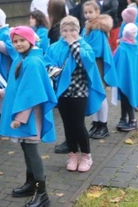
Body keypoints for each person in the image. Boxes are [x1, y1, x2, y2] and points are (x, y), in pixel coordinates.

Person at [0, 26, 57, 205]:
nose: (18, 44)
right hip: (25, 117)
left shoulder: (33, 62)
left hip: (30, 118)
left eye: (21, 40)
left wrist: (20, 118)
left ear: (30, 40)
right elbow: (17, 86)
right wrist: (2, 92)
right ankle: (31, 184)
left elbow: (32, 94)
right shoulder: (23, 58)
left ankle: (42, 194)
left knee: (31, 151)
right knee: (26, 149)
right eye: (15, 41)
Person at [45, 16, 106, 174]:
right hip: (62, 91)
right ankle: (72, 154)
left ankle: (86, 155)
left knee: (78, 124)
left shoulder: (84, 45)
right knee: (67, 124)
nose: (68, 33)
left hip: (79, 89)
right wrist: (53, 70)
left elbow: (85, 61)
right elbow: (47, 62)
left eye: (72, 30)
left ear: (78, 30)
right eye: (65, 30)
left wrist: (74, 45)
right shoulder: (54, 47)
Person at [81, 0, 118, 139]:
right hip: (90, 65)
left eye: (90, 12)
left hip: (97, 64)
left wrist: (81, 48)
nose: (88, 15)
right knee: (92, 93)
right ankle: (96, 123)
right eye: (85, 12)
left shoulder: (97, 29)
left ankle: (103, 125)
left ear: (97, 12)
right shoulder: (87, 27)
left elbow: (95, 49)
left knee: (99, 93)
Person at [112, 23, 138, 132]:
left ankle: (132, 120)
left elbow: (115, 60)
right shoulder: (134, 46)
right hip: (130, 78)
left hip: (123, 78)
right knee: (126, 97)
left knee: (126, 98)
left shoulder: (123, 48)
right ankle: (123, 118)